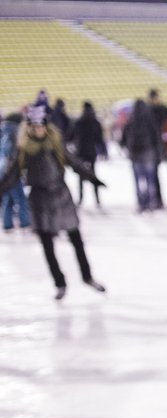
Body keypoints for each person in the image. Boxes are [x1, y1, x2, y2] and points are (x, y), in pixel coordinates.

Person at [0, 105, 107, 300]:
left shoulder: (55, 144)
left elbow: (73, 162)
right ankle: (59, 283)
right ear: (29, 128)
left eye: (41, 126)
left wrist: (93, 178)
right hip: (40, 201)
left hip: (61, 197)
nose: (38, 129)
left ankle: (87, 276)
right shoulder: (24, 149)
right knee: (47, 246)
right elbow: (12, 174)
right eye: (34, 126)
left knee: (76, 240)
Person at [121, 99, 163, 212]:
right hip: (149, 152)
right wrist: (159, 152)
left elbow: (123, 137)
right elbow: (156, 136)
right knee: (150, 179)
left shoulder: (131, 119)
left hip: (135, 153)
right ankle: (151, 202)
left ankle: (141, 203)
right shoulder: (150, 119)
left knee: (139, 180)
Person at [68, 101, 106, 208]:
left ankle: (80, 198)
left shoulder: (79, 122)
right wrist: (103, 150)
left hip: (80, 152)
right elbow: (100, 139)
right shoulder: (95, 122)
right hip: (92, 153)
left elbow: (70, 136)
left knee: (81, 176)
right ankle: (97, 199)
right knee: (93, 174)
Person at [0, 112, 32, 233]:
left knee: (8, 198)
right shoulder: (14, 135)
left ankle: (7, 224)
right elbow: (12, 156)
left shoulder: (4, 132)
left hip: (4, 172)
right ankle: (25, 223)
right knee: (21, 199)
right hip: (11, 173)